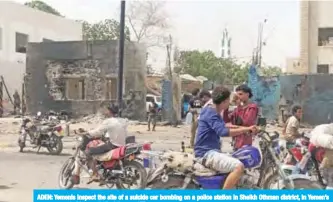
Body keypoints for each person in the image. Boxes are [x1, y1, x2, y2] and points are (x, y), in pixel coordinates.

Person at [194, 85, 257, 189]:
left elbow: (224, 125)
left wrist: (245, 128)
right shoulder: (212, 113)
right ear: (224, 102)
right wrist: (246, 129)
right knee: (238, 167)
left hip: (210, 151)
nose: (230, 103)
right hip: (206, 153)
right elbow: (223, 131)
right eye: (228, 100)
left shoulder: (210, 109)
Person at [71, 104, 127, 185]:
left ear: (110, 112)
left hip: (113, 145)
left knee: (88, 152)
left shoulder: (108, 121)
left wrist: (86, 132)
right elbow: (115, 131)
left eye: (107, 110)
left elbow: (97, 131)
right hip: (123, 144)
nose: (105, 112)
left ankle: (95, 174)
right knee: (101, 148)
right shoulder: (122, 120)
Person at [224, 84, 259, 151]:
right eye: (237, 95)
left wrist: (239, 106)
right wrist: (226, 107)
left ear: (247, 94)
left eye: (241, 94)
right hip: (236, 140)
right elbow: (226, 120)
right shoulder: (238, 109)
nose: (238, 97)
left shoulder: (252, 107)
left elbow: (246, 122)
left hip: (246, 141)